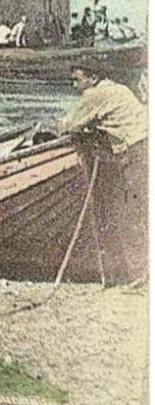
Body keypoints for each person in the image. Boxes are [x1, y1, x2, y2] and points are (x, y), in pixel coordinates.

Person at [59, 64, 149, 284]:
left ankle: (139, 275)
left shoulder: (95, 94)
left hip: (136, 152)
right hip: (145, 145)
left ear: (93, 78)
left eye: (77, 80)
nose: (74, 86)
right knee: (139, 210)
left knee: (127, 213)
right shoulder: (119, 89)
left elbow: (69, 124)